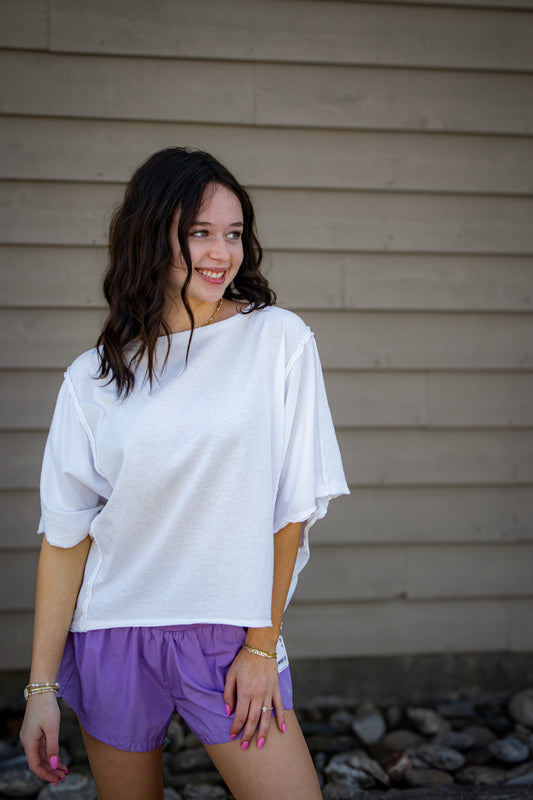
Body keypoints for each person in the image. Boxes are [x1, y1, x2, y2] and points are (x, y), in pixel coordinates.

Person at [19, 147, 349, 800]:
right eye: (199, 233)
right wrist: (40, 690)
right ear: (152, 233)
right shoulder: (92, 377)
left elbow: (291, 508)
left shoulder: (276, 341)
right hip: (112, 630)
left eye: (233, 234)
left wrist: (260, 647)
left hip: (230, 632)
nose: (220, 253)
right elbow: (65, 537)